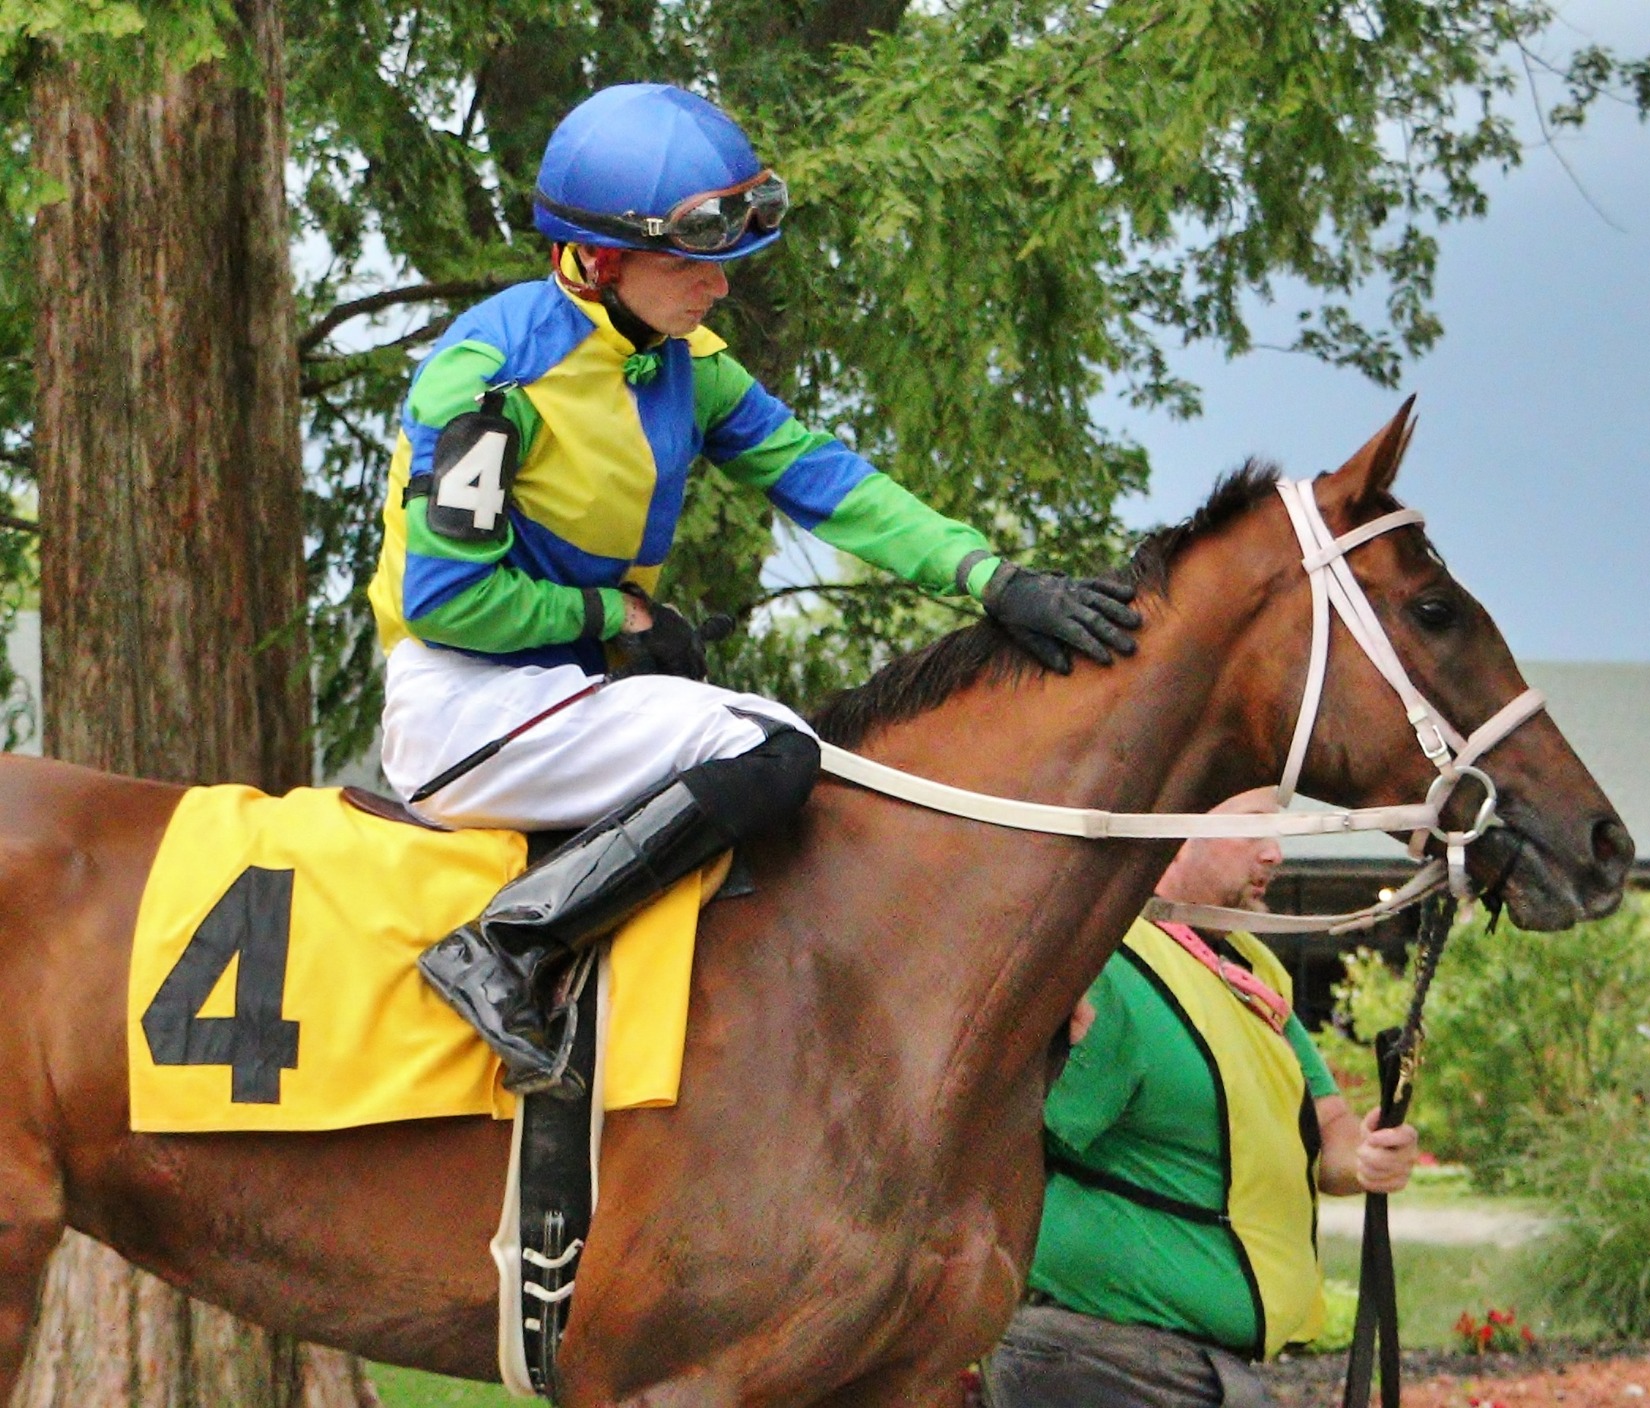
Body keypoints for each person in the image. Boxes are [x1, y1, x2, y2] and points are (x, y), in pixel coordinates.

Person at [363, 83, 1142, 1093]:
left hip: (562, 697)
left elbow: (820, 477)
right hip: (466, 704)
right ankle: (503, 946)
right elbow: (444, 602)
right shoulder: (487, 382)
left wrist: (989, 578)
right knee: (772, 749)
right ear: (597, 261)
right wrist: (620, 615)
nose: (718, 291)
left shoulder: (682, 362)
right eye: (692, 266)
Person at [982, 790, 1420, 1408]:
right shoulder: (1101, 954)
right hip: (1095, 1360)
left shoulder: (1255, 970)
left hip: (1199, 1372)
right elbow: (1019, 1136)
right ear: (1176, 831)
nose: (1275, 854)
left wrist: (1367, 1155)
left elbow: (1329, 1125)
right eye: (1254, 830)